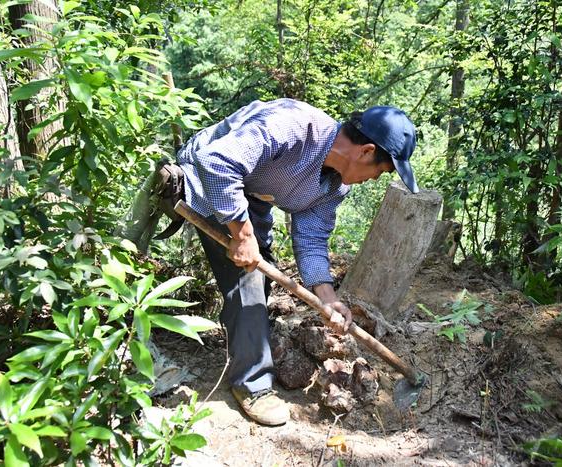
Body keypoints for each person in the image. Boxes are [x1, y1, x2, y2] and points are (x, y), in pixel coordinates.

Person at [174, 98, 419, 425]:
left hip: (250, 198)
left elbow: (312, 237)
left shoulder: (335, 186)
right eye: (381, 171)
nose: (374, 179)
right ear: (365, 151)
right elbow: (216, 161)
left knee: (263, 276)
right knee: (247, 277)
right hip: (205, 180)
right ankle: (253, 384)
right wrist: (243, 236)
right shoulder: (293, 125)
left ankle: (252, 341)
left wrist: (328, 298)